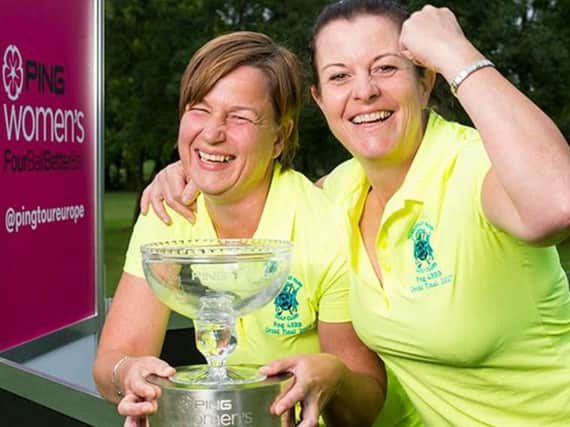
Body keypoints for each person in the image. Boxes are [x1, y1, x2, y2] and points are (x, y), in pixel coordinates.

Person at [143, 1, 570, 425]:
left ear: (425, 84)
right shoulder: (339, 191)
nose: (363, 91)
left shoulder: (472, 168)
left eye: (385, 68)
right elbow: (255, 180)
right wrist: (188, 167)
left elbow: (558, 202)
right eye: (339, 76)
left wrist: (456, 51)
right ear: (320, 100)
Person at [93, 30, 395, 427]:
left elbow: (365, 403)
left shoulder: (325, 226)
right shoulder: (166, 213)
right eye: (200, 109)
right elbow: (113, 360)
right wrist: (129, 375)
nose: (213, 132)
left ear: (279, 137)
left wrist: (333, 376)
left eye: (239, 117)